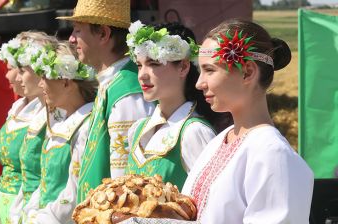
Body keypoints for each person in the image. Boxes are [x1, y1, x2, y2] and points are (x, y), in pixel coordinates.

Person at [181, 19, 314, 223]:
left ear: (248, 72)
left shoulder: (272, 154)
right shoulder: (219, 141)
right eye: (201, 72)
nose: (199, 83)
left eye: (210, 70)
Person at [58, 0, 155, 202]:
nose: (71, 39)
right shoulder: (112, 84)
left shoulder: (127, 92)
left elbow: (126, 185)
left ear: (103, 34)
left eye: (77, 30)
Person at [124, 22, 219, 190]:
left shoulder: (194, 133)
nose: (142, 75)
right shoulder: (137, 129)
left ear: (183, 67)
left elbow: (211, 203)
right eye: (139, 65)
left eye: (154, 63)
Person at [19, 41, 97, 223]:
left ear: (66, 82)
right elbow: (45, 183)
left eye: (45, 77)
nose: (40, 84)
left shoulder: (86, 125)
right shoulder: (59, 124)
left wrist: (44, 218)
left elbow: (75, 192)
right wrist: (30, 211)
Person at [0, 32, 51, 224]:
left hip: (27, 205)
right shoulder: (18, 107)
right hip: (2, 200)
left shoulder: (50, 112)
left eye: (17, 68)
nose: (8, 75)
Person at [7, 31, 59, 223]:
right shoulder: (38, 112)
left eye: (22, 70)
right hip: (28, 209)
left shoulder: (59, 115)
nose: (16, 78)